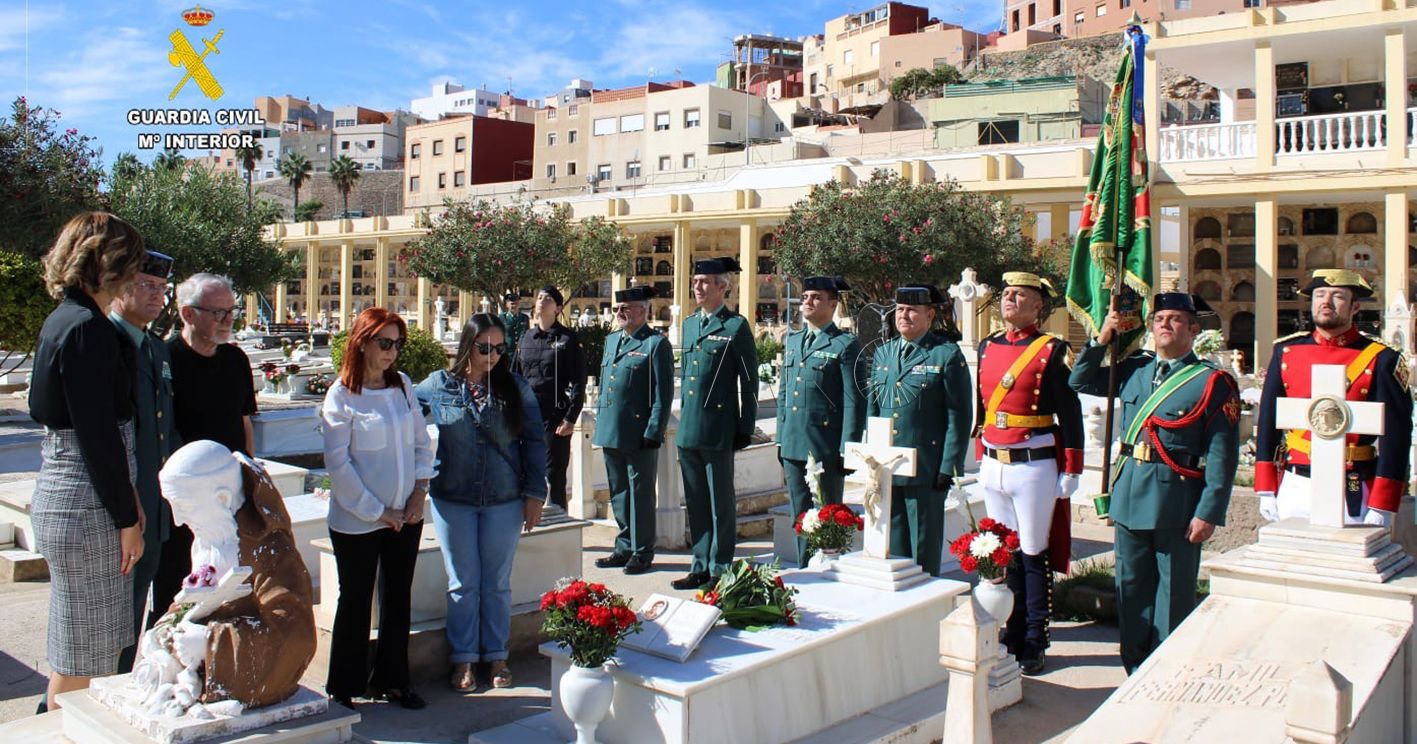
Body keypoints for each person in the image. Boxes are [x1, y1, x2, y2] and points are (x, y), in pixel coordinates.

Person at [1069, 293, 1240, 673]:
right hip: (1129, 495)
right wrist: (1103, 338)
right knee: (1129, 589)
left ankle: (1168, 668)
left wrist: (1208, 511)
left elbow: (1222, 455)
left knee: (1174, 594)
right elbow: (1077, 379)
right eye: (1159, 318)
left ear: (1194, 329)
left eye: (1175, 319)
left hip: (1177, 503)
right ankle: (1134, 666)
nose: (1164, 324)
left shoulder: (1212, 382)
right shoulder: (1134, 369)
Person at [28, 212, 148, 710]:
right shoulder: (86, 329)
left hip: (71, 494)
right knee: (86, 663)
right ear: (110, 264)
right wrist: (126, 518)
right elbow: (98, 436)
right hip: (86, 503)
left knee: (78, 652)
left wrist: (130, 499)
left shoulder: (66, 319)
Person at [416, 313, 547, 692]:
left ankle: (497, 656)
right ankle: (463, 660)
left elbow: (535, 443)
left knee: (496, 583)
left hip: (503, 499)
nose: (492, 356)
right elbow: (401, 411)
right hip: (453, 498)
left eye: (499, 349)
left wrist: (535, 494)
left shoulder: (513, 388)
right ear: (467, 346)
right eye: (484, 348)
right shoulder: (439, 386)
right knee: (462, 583)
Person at [320, 308, 435, 710]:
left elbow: (421, 442)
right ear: (363, 342)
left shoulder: (402, 385)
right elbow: (339, 464)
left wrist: (419, 493)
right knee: (354, 598)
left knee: (398, 595)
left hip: (405, 513)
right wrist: (375, 510)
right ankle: (344, 685)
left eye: (397, 344)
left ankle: (393, 679)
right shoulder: (341, 395)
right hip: (358, 519)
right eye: (384, 343)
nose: (392, 353)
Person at [974, 272, 1083, 675]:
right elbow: (980, 407)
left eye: (1020, 295)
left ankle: (1036, 636)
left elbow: (1070, 411)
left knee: (1033, 552)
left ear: (1039, 305)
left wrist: (1072, 466)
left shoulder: (1052, 350)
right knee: (1004, 554)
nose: (1010, 300)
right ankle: (1010, 628)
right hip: (994, 462)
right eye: (1006, 294)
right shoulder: (987, 346)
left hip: (1034, 464)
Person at [1254, 270, 1411, 527]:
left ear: (1355, 306)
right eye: (1319, 295)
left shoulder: (1382, 359)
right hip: (1296, 483)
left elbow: (1397, 434)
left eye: (1337, 296)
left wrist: (1383, 502)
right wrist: (1266, 487)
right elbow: (1269, 421)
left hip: (1353, 485)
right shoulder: (1286, 352)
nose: (1326, 302)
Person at [155, 274, 258, 626]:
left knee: (227, 591)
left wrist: (252, 479)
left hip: (228, 498)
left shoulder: (235, 360)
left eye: (232, 311)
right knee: (177, 591)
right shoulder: (163, 361)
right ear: (188, 313)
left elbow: (244, 423)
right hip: (181, 504)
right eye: (218, 313)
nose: (228, 320)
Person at [864, 284, 972, 577]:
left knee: (922, 550)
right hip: (888, 467)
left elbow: (959, 416)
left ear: (930, 315)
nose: (904, 315)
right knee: (893, 550)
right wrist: (869, 456)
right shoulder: (884, 354)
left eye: (912, 310)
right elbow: (874, 408)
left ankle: (926, 609)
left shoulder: (945, 355)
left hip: (926, 468)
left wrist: (949, 466)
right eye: (900, 309)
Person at [109, 248, 180, 674]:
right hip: (122, 512)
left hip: (154, 509)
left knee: (134, 620)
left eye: (161, 288)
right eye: (146, 285)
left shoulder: (155, 348)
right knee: (107, 627)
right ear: (118, 287)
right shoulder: (107, 344)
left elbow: (164, 430)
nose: (156, 296)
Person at [673, 257, 757, 591]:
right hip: (689, 427)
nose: (698, 286)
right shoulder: (690, 325)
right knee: (695, 501)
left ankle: (721, 567)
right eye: (696, 280)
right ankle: (699, 564)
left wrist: (744, 427)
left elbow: (749, 384)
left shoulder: (736, 327)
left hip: (719, 428)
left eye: (706, 281)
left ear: (723, 287)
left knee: (720, 502)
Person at [776, 276, 865, 566]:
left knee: (827, 514)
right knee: (799, 515)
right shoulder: (792, 341)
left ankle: (830, 568)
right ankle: (805, 569)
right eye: (805, 297)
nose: (808, 302)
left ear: (832, 304)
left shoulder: (845, 344)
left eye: (816, 297)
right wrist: (780, 437)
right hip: (792, 442)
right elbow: (784, 394)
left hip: (824, 445)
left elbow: (854, 400)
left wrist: (847, 449)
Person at [592, 287, 674, 574]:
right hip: (610, 429)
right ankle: (623, 546)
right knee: (619, 493)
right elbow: (606, 386)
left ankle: (642, 551)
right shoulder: (612, 340)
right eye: (617, 309)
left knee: (640, 494)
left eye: (626, 308)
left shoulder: (655, 344)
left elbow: (663, 394)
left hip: (639, 433)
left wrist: (654, 429)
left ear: (643, 310)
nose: (620, 313)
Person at [513, 286, 586, 510]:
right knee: (523, 472)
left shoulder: (568, 339)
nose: (541, 301)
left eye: (548, 298)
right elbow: (514, 377)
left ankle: (559, 527)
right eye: (539, 297)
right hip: (525, 417)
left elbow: (578, 382)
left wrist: (571, 418)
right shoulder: (526, 337)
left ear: (558, 308)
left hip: (554, 418)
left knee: (554, 477)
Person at [499, 292, 529, 360]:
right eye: (512, 304)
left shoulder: (525, 318)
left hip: (521, 353)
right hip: (506, 353)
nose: (514, 306)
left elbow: (527, 334)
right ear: (507, 305)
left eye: (517, 304)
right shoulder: (502, 318)